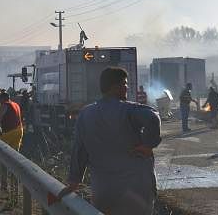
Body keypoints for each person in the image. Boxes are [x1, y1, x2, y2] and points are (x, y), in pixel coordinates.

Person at [59, 67, 161, 215]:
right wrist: (148, 145)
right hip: (136, 192)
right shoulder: (129, 110)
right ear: (116, 87)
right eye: (125, 84)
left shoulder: (85, 114)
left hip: (103, 192)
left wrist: (74, 181)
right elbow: (153, 118)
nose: (127, 88)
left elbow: (79, 150)